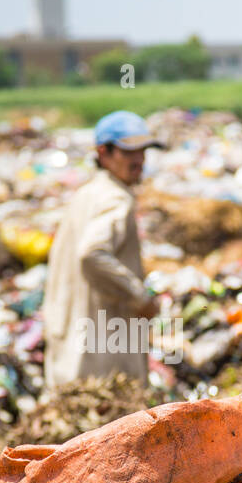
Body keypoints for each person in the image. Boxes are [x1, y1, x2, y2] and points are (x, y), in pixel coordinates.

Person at [43, 110, 164, 389]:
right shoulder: (115, 198)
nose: (139, 160)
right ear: (104, 153)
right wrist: (139, 297)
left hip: (75, 342)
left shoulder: (87, 193)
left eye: (142, 151)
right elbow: (92, 253)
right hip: (104, 347)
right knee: (115, 423)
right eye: (128, 152)